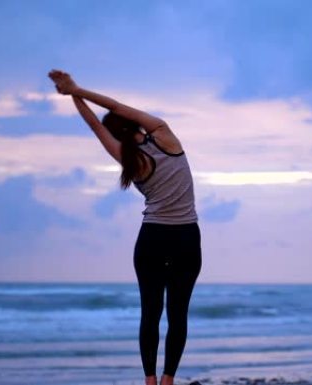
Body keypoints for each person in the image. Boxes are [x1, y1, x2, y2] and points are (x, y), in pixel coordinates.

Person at [48, 70, 202, 385]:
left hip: (152, 238)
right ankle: (168, 379)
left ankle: (148, 380)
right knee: (177, 314)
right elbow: (115, 106)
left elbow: (93, 124)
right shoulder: (164, 134)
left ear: (116, 135)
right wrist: (78, 88)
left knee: (150, 312)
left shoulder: (126, 158)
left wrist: (71, 94)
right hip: (186, 237)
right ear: (134, 124)